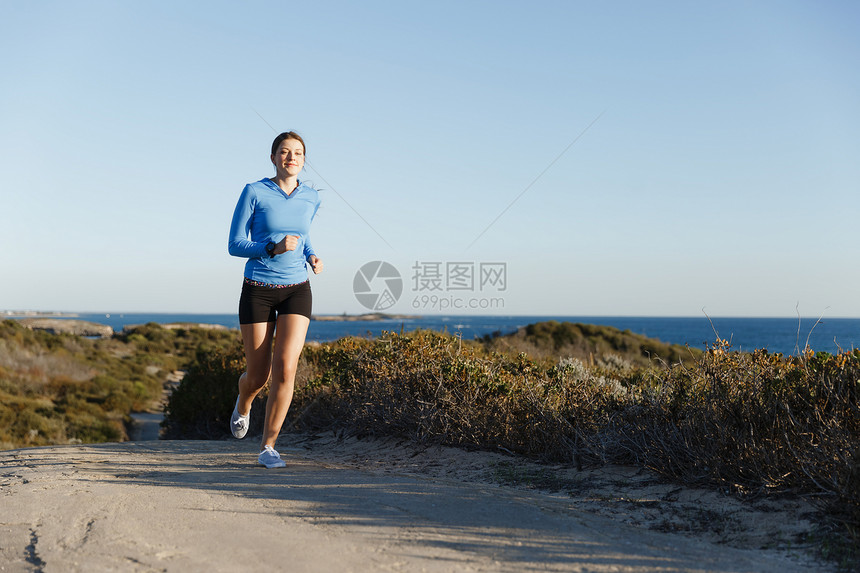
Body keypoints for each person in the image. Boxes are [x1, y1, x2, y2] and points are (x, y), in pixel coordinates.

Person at [227, 131, 323, 468]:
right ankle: (243, 402)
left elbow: (304, 235)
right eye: (284, 151)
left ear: (303, 159)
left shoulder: (311, 197)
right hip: (259, 287)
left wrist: (312, 256)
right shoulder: (254, 191)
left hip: (297, 286)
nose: (291, 157)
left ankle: (268, 446)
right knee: (258, 375)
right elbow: (235, 244)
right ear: (273, 157)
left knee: (287, 367)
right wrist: (271, 247)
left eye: (297, 152)